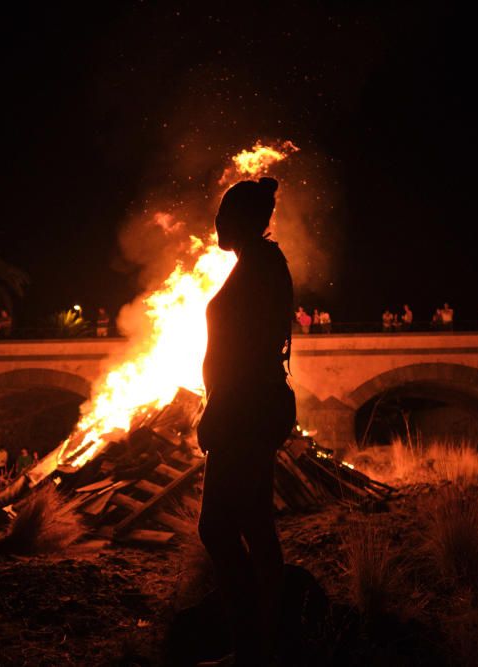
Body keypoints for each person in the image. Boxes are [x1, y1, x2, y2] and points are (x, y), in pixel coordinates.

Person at [196, 177, 294, 666]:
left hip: (244, 410)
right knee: (256, 524)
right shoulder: (258, 264)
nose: (216, 223)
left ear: (244, 220)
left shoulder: (260, 267)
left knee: (215, 528)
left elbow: (249, 352)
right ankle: (263, 645)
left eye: (223, 214)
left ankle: (251, 649)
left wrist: (217, 409)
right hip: (250, 406)